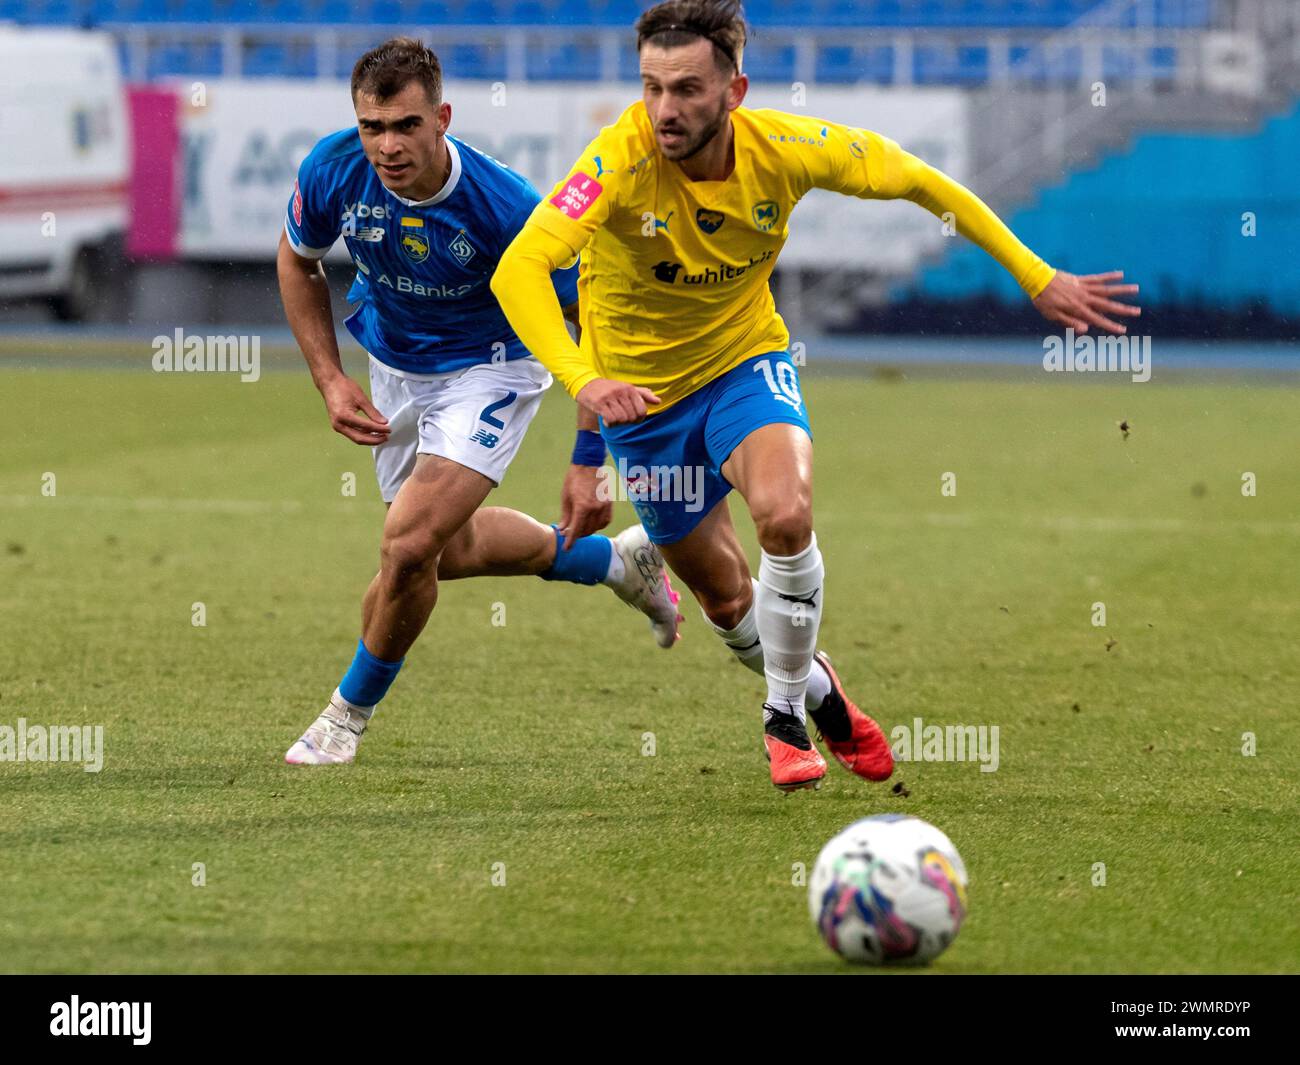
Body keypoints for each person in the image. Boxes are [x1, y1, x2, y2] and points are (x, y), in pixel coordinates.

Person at [491, 1, 1140, 791]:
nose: (666, 108)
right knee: (729, 602)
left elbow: (921, 181)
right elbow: (518, 270)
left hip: (744, 363)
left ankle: (782, 717)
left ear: (735, 90)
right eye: (653, 87)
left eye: (689, 88)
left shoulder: (787, 149)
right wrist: (585, 385)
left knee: (786, 514)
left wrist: (1036, 275)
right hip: (643, 404)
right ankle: (824, 697)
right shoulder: (616, 162)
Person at [277, 37, 681, 766]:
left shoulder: (504, 208)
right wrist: (331, 379)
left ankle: (345, 716)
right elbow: (297, 258)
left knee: (405, 548)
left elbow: (590, 314)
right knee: (444, 551)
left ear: (443, 118)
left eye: (406, 126)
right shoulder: (334, 168)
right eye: (373, 127)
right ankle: (616, 566)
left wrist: (590, 455)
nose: (388, 146)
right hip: (394, 365)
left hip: (493, 367)